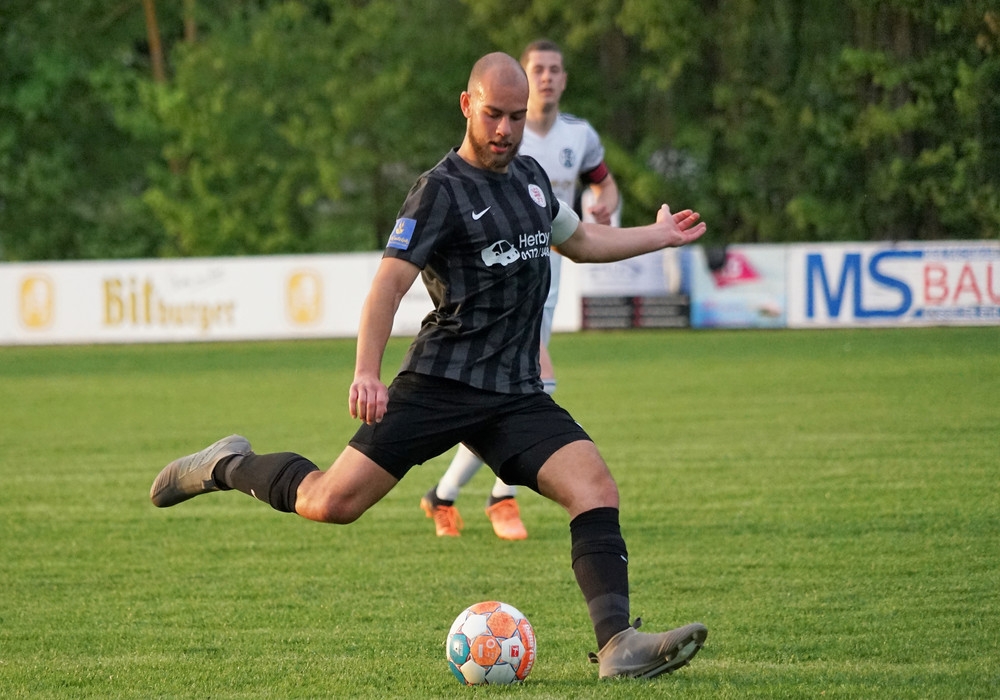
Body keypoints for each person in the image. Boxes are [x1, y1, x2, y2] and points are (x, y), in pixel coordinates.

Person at [149, 52, 708, 680]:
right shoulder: (439, 191)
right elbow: (387, 287)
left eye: (516, 116)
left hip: (515, 393)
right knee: (331, 502)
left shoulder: (530, 178)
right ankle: (226, 465)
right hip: (442, 383)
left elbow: (580, 241)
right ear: (467, 105)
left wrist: (657, 235)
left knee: (595, 489)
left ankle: (618, 646)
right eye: (493, 114)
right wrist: (366, 372)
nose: (505, 130)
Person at [420, 39, 620, 541]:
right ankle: (500, 497)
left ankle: (445, 495)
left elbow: (603, 183)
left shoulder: (580, 135)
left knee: (513, 391)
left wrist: (605, 204)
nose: (547, 77)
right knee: (531, 384)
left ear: (563, 79)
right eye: (539, 69)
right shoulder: (503, 134)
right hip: (504, 281)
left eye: (555, 69)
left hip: (547, 275)